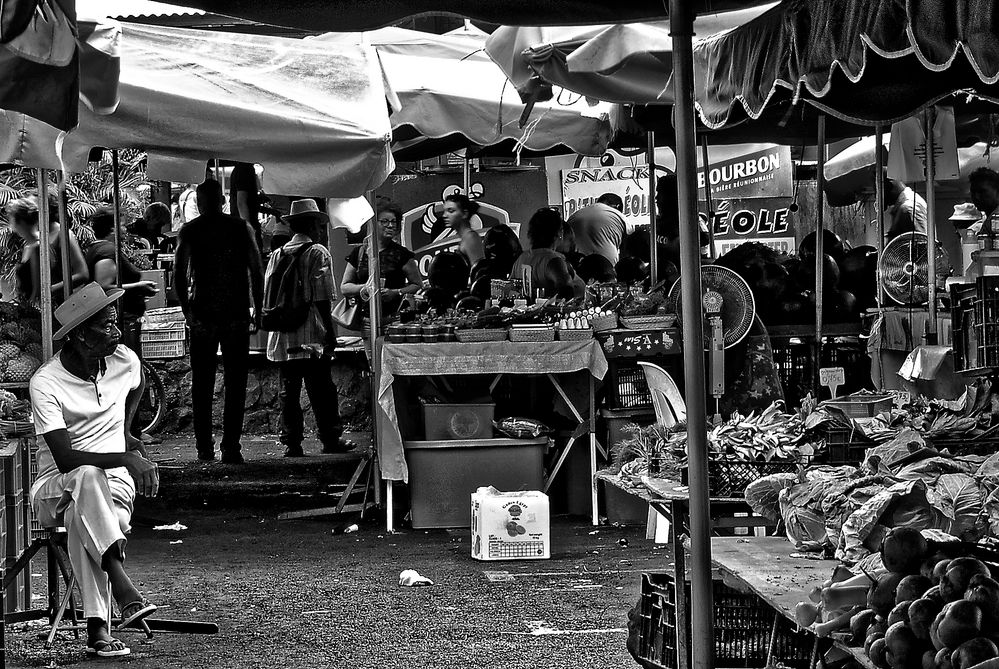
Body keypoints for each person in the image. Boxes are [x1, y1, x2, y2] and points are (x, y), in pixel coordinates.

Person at [29, 283, 160, 658]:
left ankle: (97, 628)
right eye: (106, 326)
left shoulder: (125, 361)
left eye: (116, 324)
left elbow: (138, 384)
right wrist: (127, 458)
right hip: (54, 486)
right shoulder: (46, 382)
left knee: (83, 519)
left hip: (111, 487)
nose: (117, 333)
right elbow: (68, 460)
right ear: (80, 335)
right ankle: (121, 590)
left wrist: (127, 433)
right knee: (85, 478)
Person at [173, 180, 263, 464]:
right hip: (234, 313)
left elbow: (178, 273)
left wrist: (188, 312)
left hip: (204, 315)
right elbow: (256, 271)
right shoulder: (240, 228)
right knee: (236, 382)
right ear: (223, 201)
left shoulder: (191, 230)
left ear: (199, 203)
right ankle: (231, 446)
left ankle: (204, 446)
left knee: (202, 383)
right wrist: (257, 310)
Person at [263, 199, 355, 457]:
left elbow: (267, 298)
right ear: (313, 225)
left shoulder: (277, 255)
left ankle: (292, 443)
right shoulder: (318, 253)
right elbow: (323, 298)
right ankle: (330, 438)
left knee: (288, 392)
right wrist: (330, 336)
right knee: (322, 390)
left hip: (283, 337)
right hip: (311, 334)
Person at [340, 203, 422, 318]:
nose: (390, 225)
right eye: (384, 221)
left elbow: (417, 285)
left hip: (395, 319)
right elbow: (345, 287)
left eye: (394, 222)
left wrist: (396, 292)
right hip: (366, 319)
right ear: (373, 223)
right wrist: (365, 288)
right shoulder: (360, 252)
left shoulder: (402, 254)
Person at [6, 194, 88, 305]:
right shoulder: (33, 239)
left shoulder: (62, 234)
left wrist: (47, 292)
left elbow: (82, 274)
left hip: (58, 303)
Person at [510, 207, 584, 299]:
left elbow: (512, 290)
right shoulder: (553, 260)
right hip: (553, 312)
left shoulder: (521, 258)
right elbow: (565, 288)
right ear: (559, 233)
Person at [567, 192, 628, 265]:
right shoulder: (619, 216)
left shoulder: (574, 216)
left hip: (576, 264)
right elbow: (629, 248)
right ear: (616, 207)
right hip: (606, 266)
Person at [229, 162, 264, 252]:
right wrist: (249, 230)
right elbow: (241, 202)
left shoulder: (241, 169)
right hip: (245, 226)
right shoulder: (244, 169)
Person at [442, 194, 484, 266]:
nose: (444, 215)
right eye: (445, 211)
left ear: (465, 214)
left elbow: (479, 272)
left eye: (451, 211)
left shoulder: (470, 237)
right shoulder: (465, 238)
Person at [969, 167, 999, 237]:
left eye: (982, 192)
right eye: (973, 193)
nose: (976, 197)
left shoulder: (995, 220)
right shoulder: (990, 220)